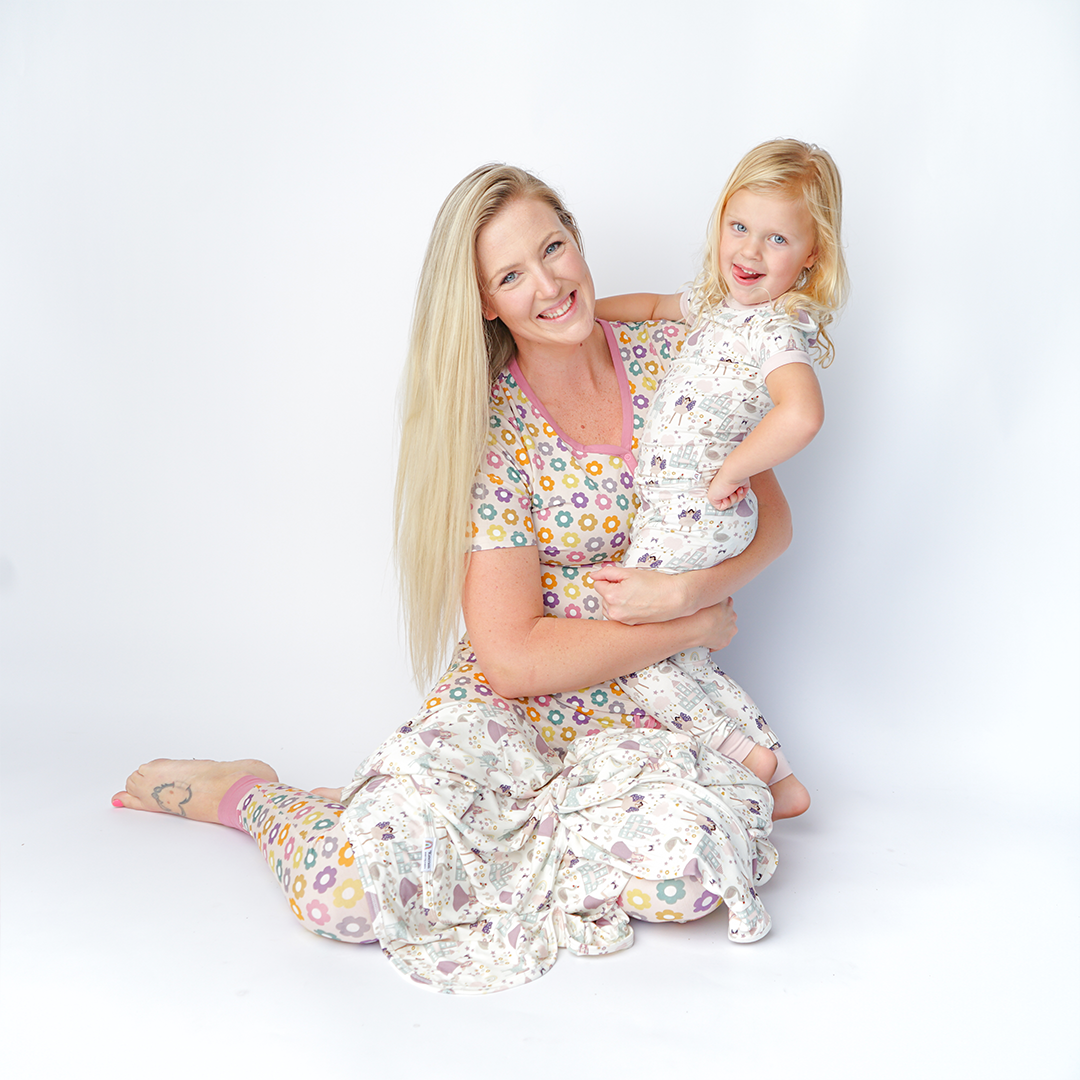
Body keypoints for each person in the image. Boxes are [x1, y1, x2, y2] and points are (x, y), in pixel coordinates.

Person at [113, 164, 804, 993]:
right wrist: (689, 625)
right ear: (485, 302)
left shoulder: (677, 358)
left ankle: (460, 837)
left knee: (692, 877)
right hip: (510, 712)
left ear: (579, 243)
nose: (548, 285)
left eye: (554, 249)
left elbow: (775, 522)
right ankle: (262, 798)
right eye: (511, 275)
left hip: (648, 708)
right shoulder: (492, 427)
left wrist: (693, 591)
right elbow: (512, 657)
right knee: (348, 898)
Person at [593, 138, 849, 789]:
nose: (749, 251)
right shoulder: (718, 308)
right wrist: (582, 316)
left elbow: (802, 413)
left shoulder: (774, 330)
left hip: (696, 510)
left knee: (629, 649)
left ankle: (750, 761)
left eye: (775, 240)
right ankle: (785, 780)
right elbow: (652, 307)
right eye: (739, 227)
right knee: (680, 659)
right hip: (676, 510)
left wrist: (734, 470)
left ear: (811, 255)